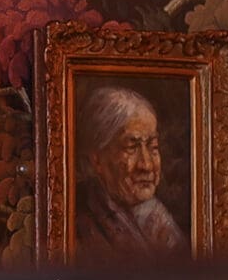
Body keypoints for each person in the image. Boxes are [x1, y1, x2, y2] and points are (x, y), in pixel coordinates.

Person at [74, 84, 186, 253]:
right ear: (97, 159)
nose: (146, 165)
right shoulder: (78, 223)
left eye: (153, 147)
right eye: (131, 148)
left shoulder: (157, 217)